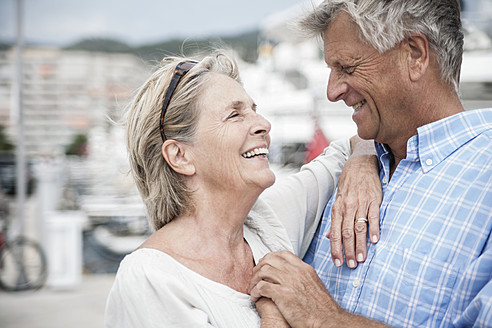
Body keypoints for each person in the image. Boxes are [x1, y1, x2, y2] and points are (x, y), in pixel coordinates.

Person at [250, 0, 492, 327]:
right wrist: (362, 152)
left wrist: (324, 319)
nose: (332, 91)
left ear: (415, 55)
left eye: (347, 68)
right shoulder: (346, 166)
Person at [104, 50, 380, 327]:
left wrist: (361, 165)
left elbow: (355, 143)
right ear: (180, 156)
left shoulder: (266, 221)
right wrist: (274, 317)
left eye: (254, 110)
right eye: (235, 115)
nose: (263, 124)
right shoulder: (150, 278)